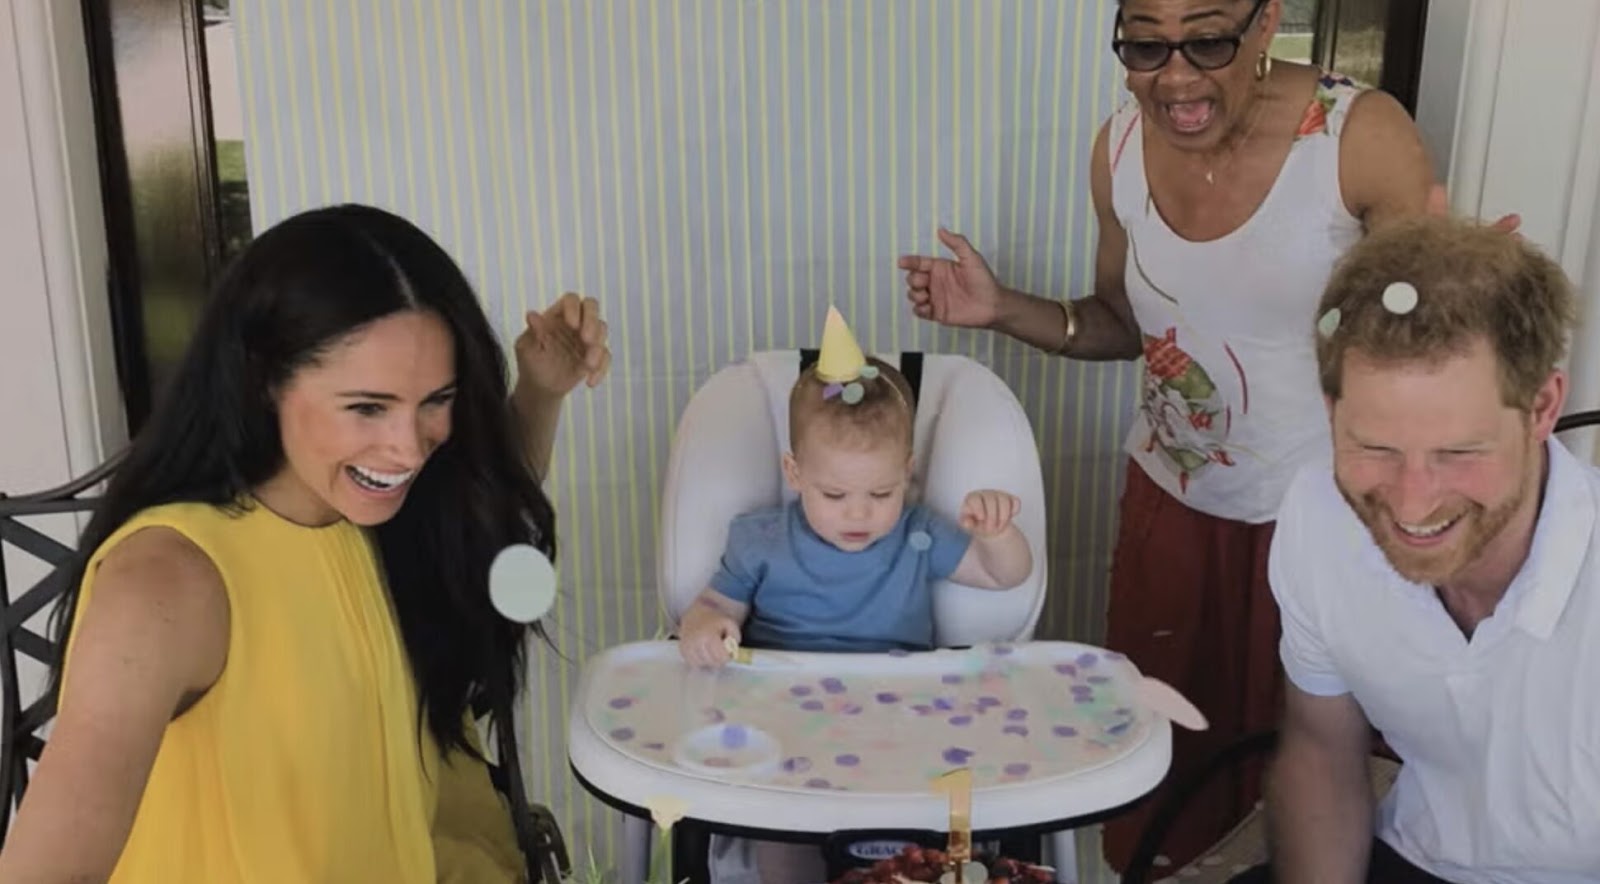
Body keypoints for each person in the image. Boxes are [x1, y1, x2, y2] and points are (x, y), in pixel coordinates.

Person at [895, 0, 1476, 865]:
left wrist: (1464, 306)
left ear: (1266, 19)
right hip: (1175, 508)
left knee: (1327, 782)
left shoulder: (1359, 137)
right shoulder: (1119, 150)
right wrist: (1003, 309)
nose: (1173, 77)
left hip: (1331, 520)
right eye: (1145, 44)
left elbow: (1424, 339)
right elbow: (1125, 324)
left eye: (1207, 39)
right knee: (1170, 777)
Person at [0, 204, 610, 883]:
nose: (409, 447)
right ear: (264, 383)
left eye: (437, 399)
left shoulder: (363, 509)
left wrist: (541, 393)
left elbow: (481, 502)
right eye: (367, 407)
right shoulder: (167, 582)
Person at [1249, 216, 1595, 882]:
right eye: (1375, 447)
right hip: (1414, 856)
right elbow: (1322, 749)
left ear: (1543, 408)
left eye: (1459, 453)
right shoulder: (1318, 512)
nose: (1412, 504)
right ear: (1332, 412)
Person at [678, 308, 1034, 883]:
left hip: (899, 722)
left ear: (908, 472)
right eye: (835, 493)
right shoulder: (760, 540)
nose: (860, 512)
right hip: (784, 722)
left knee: (929, 837)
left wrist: (999, 536)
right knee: (782, 834)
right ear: (794, 473)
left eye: (881, 490)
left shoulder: (918, 535)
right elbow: (715, 607)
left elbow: (1004, 576)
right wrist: (705, 630)